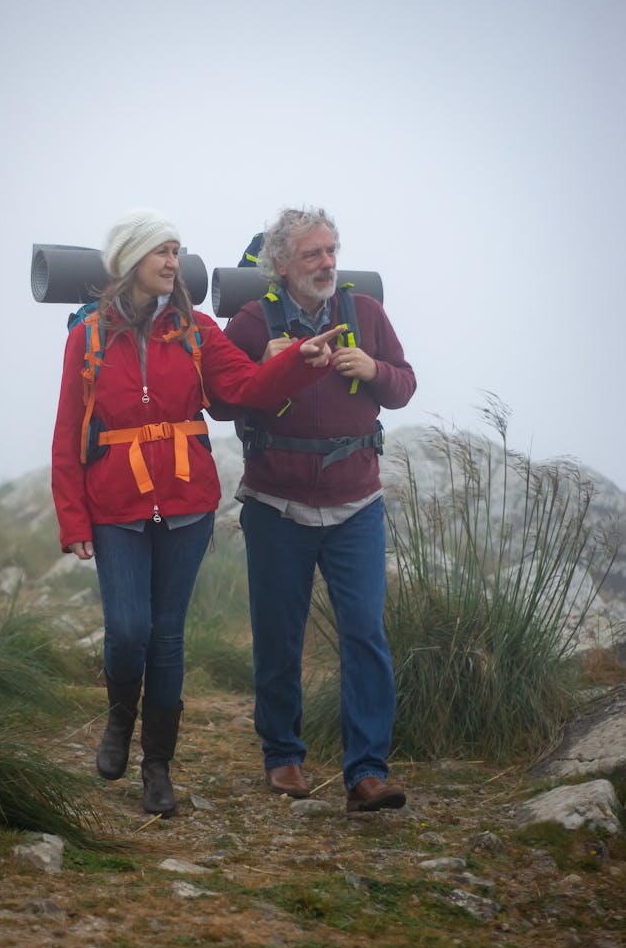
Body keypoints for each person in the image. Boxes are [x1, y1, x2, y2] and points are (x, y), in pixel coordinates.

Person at [51, 208, 343, 818]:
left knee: (166, 638)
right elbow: (66, 435)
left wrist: (294, 361)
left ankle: (157, 767)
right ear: (131, 261)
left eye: (176, 251)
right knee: (129, 630)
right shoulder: (89, 336)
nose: (172, 262)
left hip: (186, 505)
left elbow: (246, 390)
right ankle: (117, 721)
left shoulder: (197, 330)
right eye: (160, 250)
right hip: (116, 506)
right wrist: (73, 521)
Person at [220, 206, 417, 813]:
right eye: (313, 254)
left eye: (331, 250)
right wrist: (267, 364)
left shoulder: (367, 314)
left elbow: (405, 384)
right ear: (281, 264)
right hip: (276, 505)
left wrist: (374, 369)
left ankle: (367, 773)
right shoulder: (253, 322)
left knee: (365, 635)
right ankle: (283, 757)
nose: (328, 263)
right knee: (280, 637)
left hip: (357, 502)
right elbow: (220, 403)